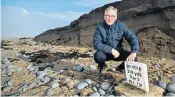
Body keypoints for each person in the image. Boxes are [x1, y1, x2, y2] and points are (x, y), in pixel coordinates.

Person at [93, 6, 139, 73]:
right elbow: (96, 44)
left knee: (134, 57)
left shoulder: (121, 26)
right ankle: (102, 66)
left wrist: (134, 51)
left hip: (118, 52)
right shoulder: (99, 27)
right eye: (107, 15)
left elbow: (132, 38)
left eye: (112, 16)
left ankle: (121, 68)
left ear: (116, 17)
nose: (110, 18)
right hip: (106, 53)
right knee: (97, 56)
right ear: (104, 16)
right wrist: (111, 50)